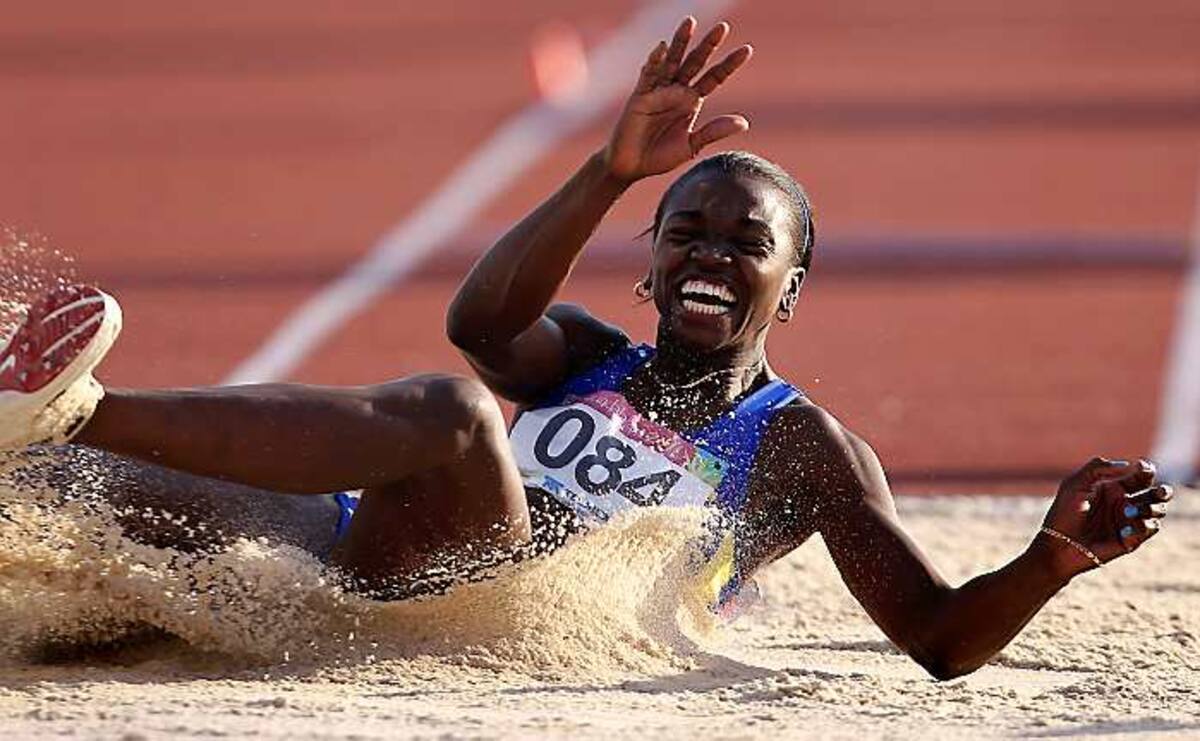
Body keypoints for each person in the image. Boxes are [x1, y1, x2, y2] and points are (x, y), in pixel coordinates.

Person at [0, 18, 1171, 680]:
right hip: (367, 544)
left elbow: (938, 640)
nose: (712, 255)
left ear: (791, 287)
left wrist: (1050, 558)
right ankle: (45, 431)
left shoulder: (804, 448)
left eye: (746, 244)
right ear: (651, 265)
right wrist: (608, 172)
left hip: (499, 613)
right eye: (686, 233)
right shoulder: (582, 352)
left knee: (458, 415)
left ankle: (82, 402)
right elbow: (482, 322)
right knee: (75, 489)